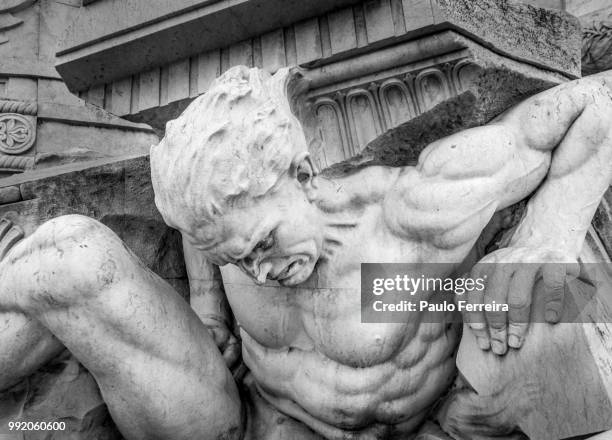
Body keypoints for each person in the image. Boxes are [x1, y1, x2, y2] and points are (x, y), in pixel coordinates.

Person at [1, 66, 612, 440]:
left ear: (302, 170)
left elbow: (600, 98)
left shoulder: (412, 212)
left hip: (426, 429)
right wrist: (211, 309)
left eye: (264, 243)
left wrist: (548, 235)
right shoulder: (227, 235)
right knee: (70, 254)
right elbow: (204, 233)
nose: (260, 271)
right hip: (241, 427)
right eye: (235, 259)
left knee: (555, 298)